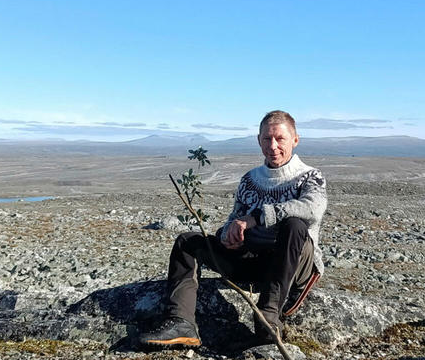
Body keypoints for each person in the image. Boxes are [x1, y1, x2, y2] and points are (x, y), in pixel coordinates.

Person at [139, 110, 326, 347]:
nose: (273, 146)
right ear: (259, 140)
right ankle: (181, 321)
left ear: (295, 140)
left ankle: (269, 316)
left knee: (295, 224)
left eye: (280, 138)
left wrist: (256, 217)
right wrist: (227, 234)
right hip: (251, 261)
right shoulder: (250, 180)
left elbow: (312, 209)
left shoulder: (311, 177)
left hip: (293, 262)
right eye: (267, 139)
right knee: (188, 242)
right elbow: (234, 219)